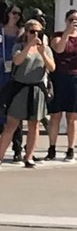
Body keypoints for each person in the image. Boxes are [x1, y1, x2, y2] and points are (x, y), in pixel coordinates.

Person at [0, 19, 56, 167]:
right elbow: (17, 61)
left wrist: (43, 53)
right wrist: (29, 47)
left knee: (34, 124)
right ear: (26, 32)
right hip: (20, 88)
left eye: (39, 32)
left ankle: (29, 156)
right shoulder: (19, 46)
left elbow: (52, 67)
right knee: (11, 124)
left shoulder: (46, 49)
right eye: (32, 31)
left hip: (36, 89)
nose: (36, 34)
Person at [45, 9, 77, 161]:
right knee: (55, 116)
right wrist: (67, 32)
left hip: (75, 77)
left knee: (72, 116)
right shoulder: (58, 35)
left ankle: (70, 148)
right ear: (66, 20)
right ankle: (52, 147)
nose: (74, 23)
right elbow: (58, 49)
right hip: (59, 77)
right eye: (71, 19)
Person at [0, 3, 23, 161]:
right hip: (1, 70)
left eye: (19, 14)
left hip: (14, 73)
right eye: (14, 13)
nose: (16, 16)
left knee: (15, 110)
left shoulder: (21, 33)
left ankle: (17, 147)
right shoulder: (0, 30)